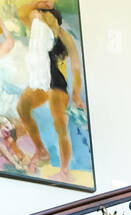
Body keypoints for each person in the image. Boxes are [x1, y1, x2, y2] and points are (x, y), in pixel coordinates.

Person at [16, 1, 84, 180]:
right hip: (40, 81)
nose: (37, 18)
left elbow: (76, 65)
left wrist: (76, 92)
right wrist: (37, 4)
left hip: (56, 84)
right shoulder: (38, 29)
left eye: (43, 16)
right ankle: (41, 150)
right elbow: (22, 12)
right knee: (23, 108)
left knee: (60, 125)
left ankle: (65, 170)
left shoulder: (63, 35)